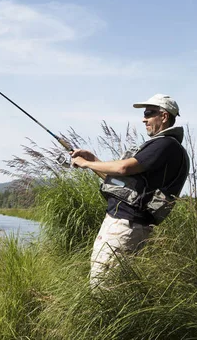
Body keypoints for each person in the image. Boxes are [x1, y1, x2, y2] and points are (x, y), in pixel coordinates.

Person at [70, 94, 190, 288]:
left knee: (103, 286)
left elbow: (124, 168)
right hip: (128, 224)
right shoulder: (167, 147)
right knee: (113, 285)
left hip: (125, 225)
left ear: (164, 116)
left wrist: (85, 163)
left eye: (149, 113)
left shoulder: (164, 144)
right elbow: (122, 185)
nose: (144, 118)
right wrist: (93, 161)